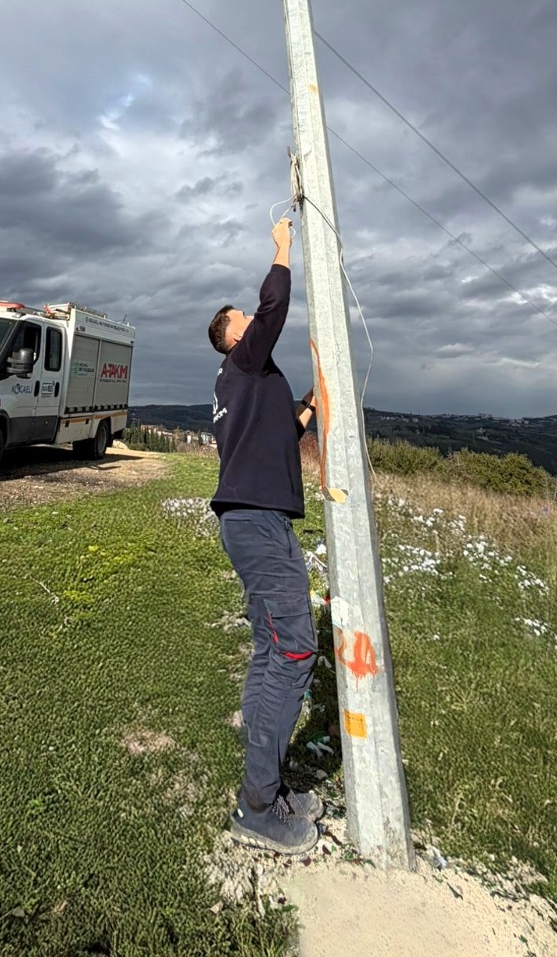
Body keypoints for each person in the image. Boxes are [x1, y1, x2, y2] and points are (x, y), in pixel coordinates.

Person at [208, 216, 322, 855]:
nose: (250, 325)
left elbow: (281, 434)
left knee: (269, 645)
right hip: (255, 522)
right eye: (238, 323)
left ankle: (267, 773)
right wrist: (282, 249)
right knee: (298, 650)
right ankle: (257, 805)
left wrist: (311, 405)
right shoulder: (243, 365)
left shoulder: (244, 389)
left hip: (257, 520)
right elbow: (273, 306)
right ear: (229, 342)